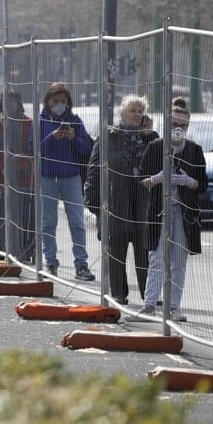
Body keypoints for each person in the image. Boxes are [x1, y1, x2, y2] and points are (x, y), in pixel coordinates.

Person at [129, 97, 208, 322]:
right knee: (156, 258)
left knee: (178, 261)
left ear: (188, 126)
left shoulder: (194, 150)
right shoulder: (155, 148)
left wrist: (188, 181)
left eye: (182, 125)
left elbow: (202, 184)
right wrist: (156, 179)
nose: (178, 129)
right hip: (159, 210)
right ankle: (149, 306)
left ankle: (174, 307)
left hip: (183, 213)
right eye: (174, 124)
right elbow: (142, 180)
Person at [84, 95, 157, 304]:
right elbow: (94, 169)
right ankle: (118, 294)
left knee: (145, 251)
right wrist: (94, 203)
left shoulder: (150, 137)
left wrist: (148, 135)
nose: (136, 114)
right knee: (116, 250)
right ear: (122, 113)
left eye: (140, 111)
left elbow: (158, 164)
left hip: (143, 202)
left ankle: (149, 296)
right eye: (132, 110)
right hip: (117, 202)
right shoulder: (110, 136)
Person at [34, 82, 95, 281]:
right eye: (56, 100)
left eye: (63, 101)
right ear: (48, 101)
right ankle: (50, 261)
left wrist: (72, 138)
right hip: (48, 178)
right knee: (48, 222)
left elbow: (86, 148)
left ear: (68, 102)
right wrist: (53, 136)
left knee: (77, 222)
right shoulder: (41, 121)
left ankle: (81, 264)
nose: (60, 104)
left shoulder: (75, 121)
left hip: (71, 178)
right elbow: (34, 149)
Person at [0, 90, 35, 261]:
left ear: (18, 102)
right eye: (6, 100)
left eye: (13, 100)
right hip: (1, 175)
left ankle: (22, 250)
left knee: (22, 213)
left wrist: (18, 165)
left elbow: (32, 150)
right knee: (0, 212)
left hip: (23, 175)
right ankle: (1, 247)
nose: (9, 104)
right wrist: (3, 167)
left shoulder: (29, 123)